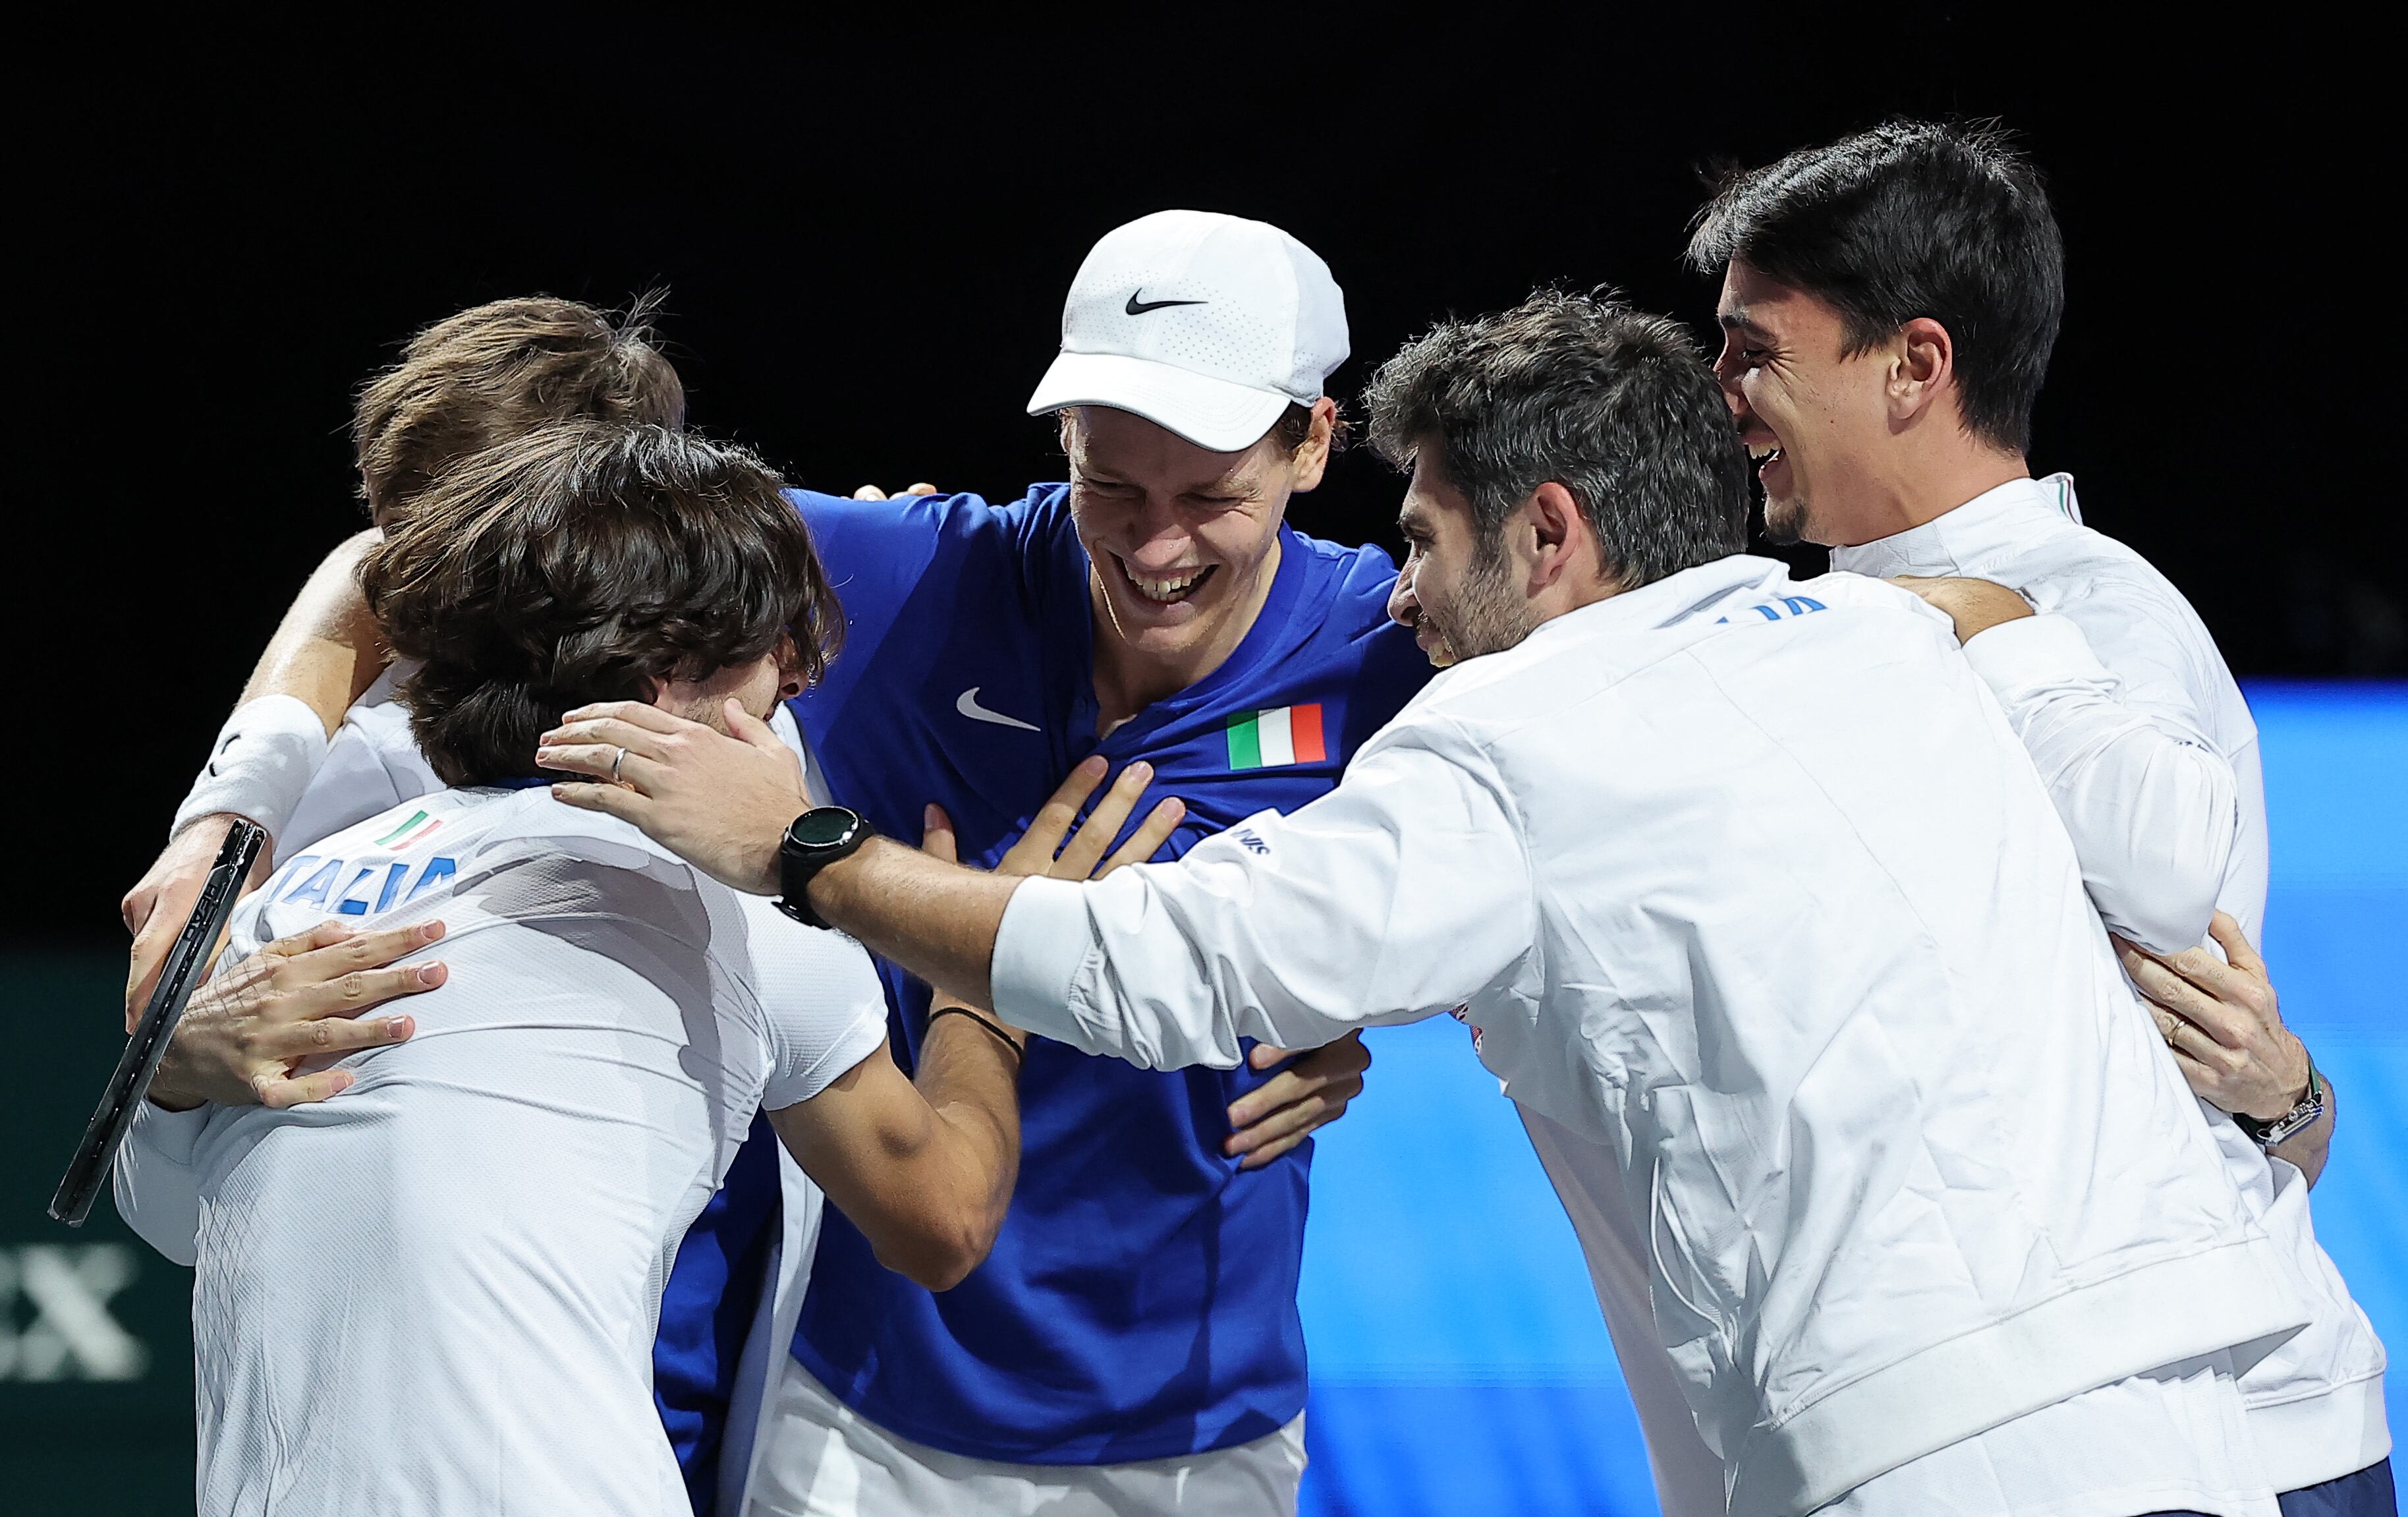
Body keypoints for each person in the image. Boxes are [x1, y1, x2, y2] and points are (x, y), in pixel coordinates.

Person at [541, 291, 2316, 1517]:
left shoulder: (1508, 737)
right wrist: (2002, 621)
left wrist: (805, 848)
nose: (1398, 600)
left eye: (1427, 538)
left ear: (1543, 534)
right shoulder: (1888, 633)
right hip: (2208, 1406)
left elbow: (1168, 960)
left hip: (1929, 1449)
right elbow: (2168, 863)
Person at [113, 420, 1179, 1515]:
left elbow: (175, 1218)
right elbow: (941, 1219)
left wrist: (178, 1066)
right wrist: (978, 994)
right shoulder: (744, 912)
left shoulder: (295, 898)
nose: (789, 691)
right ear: (668, 681)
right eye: (773, 657)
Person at [674, 208, 1427, 1516]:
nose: (1152, 547)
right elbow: (437, 534)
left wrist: (1372, 983)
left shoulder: (1391, 652)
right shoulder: (897, 572)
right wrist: (245, 811)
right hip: (854, 1414)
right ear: (1062, 441)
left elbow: (1609, 826)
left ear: (1314, 440)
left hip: (1199, 1436)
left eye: (1211, 497)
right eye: (1111, 487)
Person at [1689, 121, 2388, 1512]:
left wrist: (1982, 627)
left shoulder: (2090, 604)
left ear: (1916, 365)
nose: (1722, 394)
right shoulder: (1798, 622)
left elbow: (2170, 864)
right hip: (1985, 1411)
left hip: (2228, 1427)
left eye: (1756, 351)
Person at [121, 294, 689, 1016]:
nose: (409, 583)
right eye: (398, 534)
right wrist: (225, 819)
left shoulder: (763, 627)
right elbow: (203, 1032)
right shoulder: (364, 754)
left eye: (455, 549)